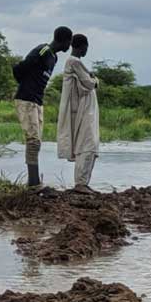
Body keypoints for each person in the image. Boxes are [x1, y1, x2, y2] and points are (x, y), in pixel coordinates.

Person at [13, 26, 72, 187]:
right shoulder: (43, 50)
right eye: (69, 42)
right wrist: (27, 87)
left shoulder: (54, 57)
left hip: (38, 101)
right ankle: (33, 184)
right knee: (33, 141)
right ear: (64, 40)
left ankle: (34, 182)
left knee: (37, 141)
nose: (70, 46)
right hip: (27, 99)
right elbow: (20, 68)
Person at [56, 34, 100, 192]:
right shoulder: (74, 61)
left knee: (88, 143)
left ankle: (83, 183)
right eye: (86, 47)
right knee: (88, 143)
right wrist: (95, 80)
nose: (86, 50)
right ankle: (81, 184)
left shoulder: (75, 63)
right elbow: (88, 83)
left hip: (84, 109)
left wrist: (91, 79)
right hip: (82, 111)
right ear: (82, 46)